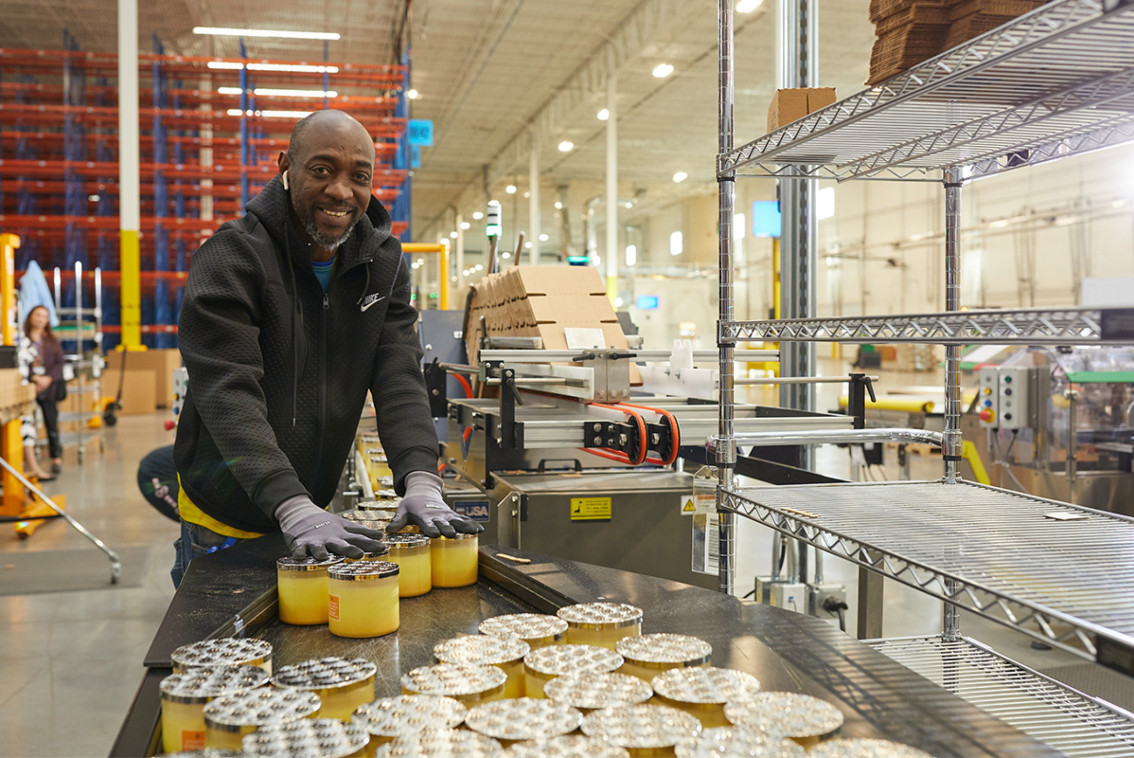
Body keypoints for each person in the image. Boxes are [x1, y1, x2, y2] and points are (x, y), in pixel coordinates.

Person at [173, 109, 480, 587]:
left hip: (313, 506)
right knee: (229, 653)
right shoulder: (232, 258)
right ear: (285, 167)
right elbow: (227, 392)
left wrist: (421, 475)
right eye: (322, 171)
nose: (341, 191)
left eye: (359, 177)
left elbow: (399, 375)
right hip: (227, 517)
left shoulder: (382, 265)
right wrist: (288, 503)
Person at [20, 304, 64, 476]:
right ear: (31, 316)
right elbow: (20, 363)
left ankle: (56, 457)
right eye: (37, 315)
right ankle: (26, 462)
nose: (40, 319)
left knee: (51, 423)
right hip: (28, 387)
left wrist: (47, 379)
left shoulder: (51, 341)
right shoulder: (22, 339)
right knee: (26, 424)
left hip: (49, 388)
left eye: (44, 316)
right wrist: (34, 378)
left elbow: (60, 363)